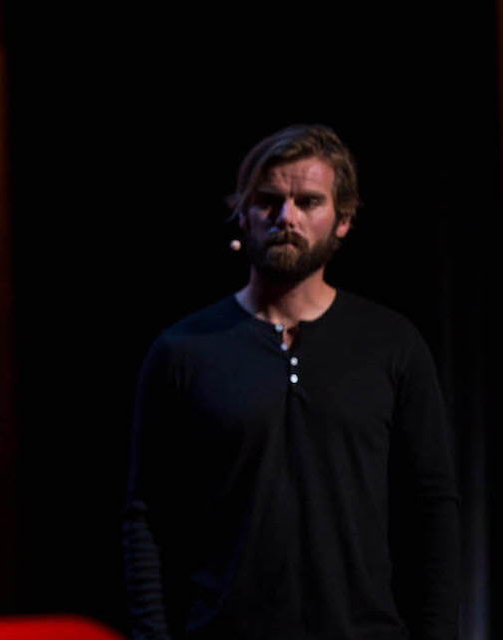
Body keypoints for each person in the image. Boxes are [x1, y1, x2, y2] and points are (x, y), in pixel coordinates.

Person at [123, 125, 460, 639]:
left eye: (308, 201)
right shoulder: (184, 350)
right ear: (242, 213)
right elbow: (145, 515)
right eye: (269, 201)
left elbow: (432, 506)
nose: (287, 218)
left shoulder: (392, 344)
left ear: (342, 219)